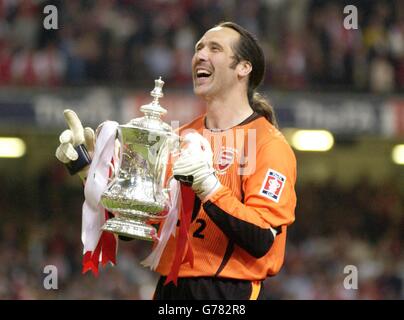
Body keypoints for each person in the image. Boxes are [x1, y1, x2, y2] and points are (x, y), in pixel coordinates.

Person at [55, 21, 297, 300]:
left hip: (229, 293)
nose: (200, 55)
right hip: (171, 288)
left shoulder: (268, 144)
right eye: (199, 48)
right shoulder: (178, 137)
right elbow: (134, 227)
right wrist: (92, 173)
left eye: (215, 48)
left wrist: (208, 186)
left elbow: (262, 238)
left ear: (244, 67)